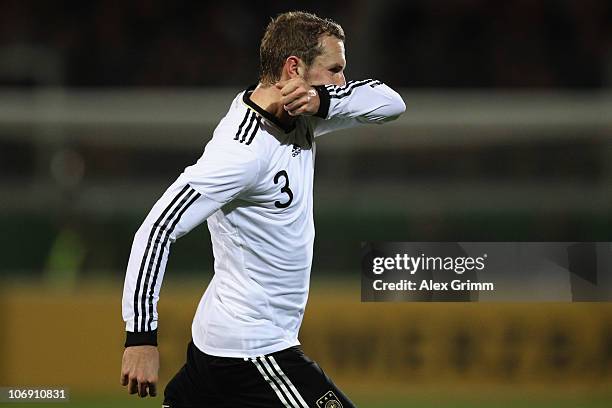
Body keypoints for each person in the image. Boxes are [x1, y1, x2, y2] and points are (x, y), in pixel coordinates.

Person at [120, 10, 405, 408]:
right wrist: (140, 338)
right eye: (334, 69)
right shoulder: (242, 153)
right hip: (249, 349)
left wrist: (321, 97)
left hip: (221, 345)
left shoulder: (303, 115)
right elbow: (157, 229)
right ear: (294, 68)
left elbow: (390, 103)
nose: (342, 82)